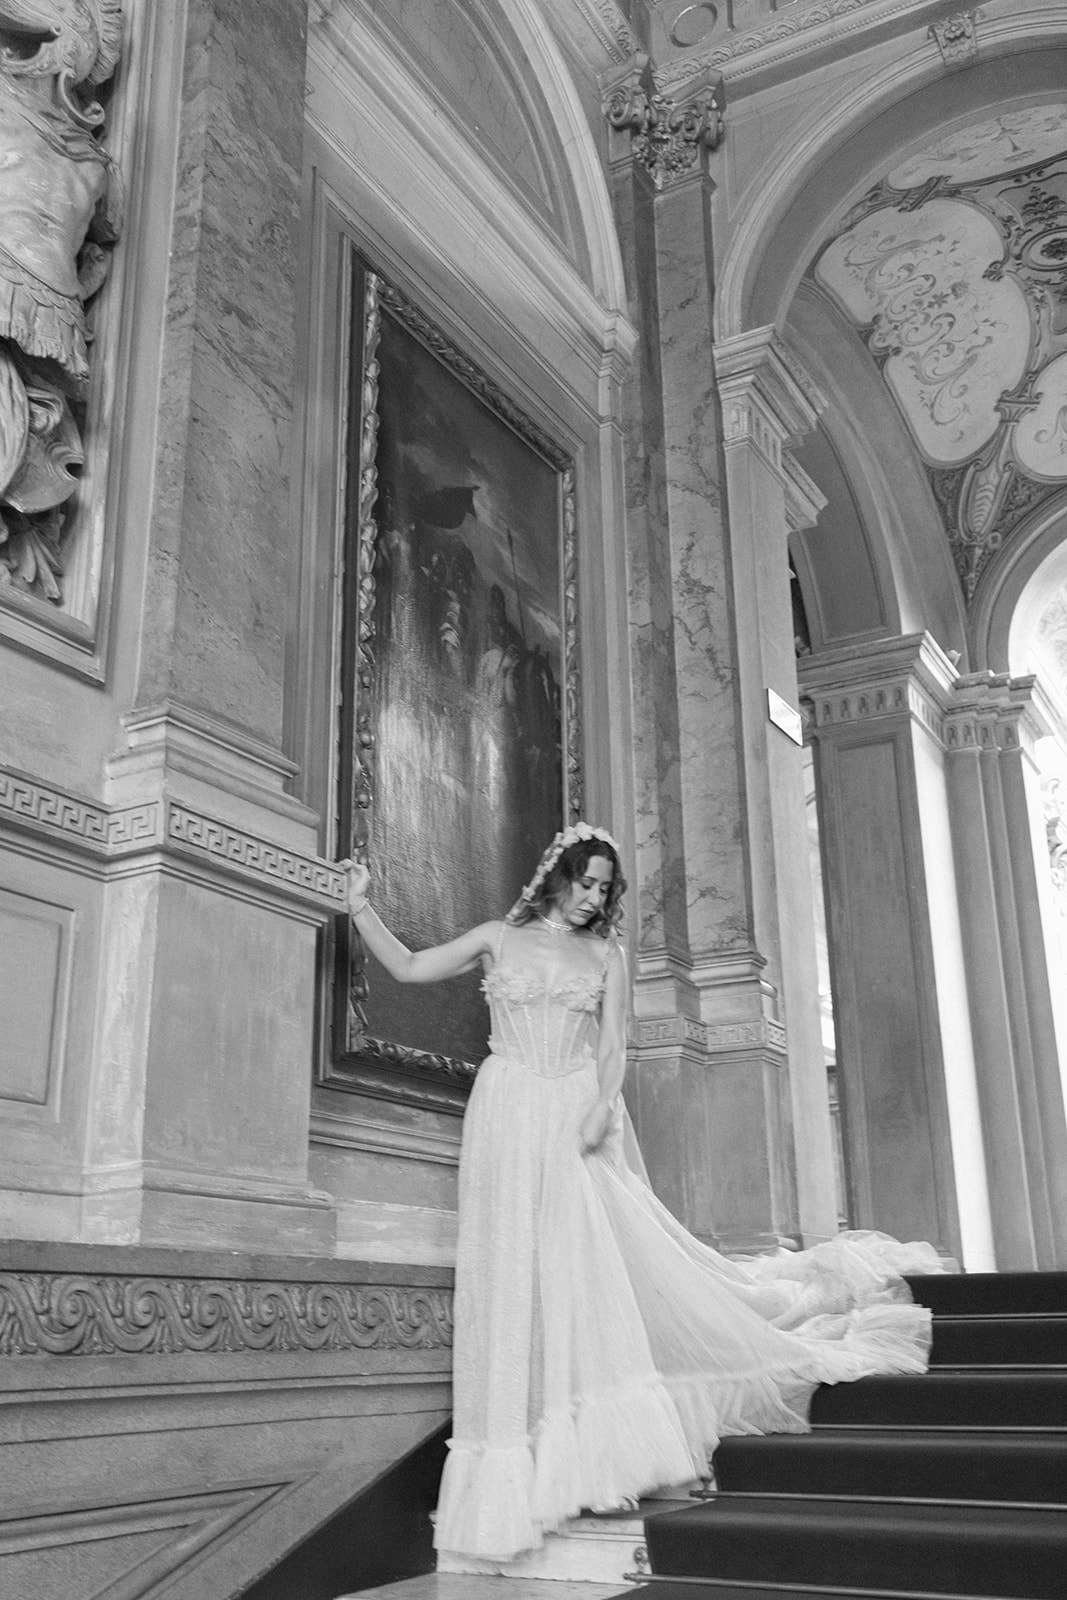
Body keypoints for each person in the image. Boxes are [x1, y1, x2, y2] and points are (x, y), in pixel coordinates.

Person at [341, 821, 943, 1566]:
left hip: (571, 1110)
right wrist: (360, 906)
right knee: (512, 1273)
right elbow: (408, 967)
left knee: (582, 1274)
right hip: (505, 1111)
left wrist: (601, 1105)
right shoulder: (498, 937)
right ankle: (523, 1458)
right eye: (585, 882)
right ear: (556, 875)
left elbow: (612, 1046)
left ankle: (603, 1460)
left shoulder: (605, 954)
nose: (593, 898)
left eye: (604, 888)